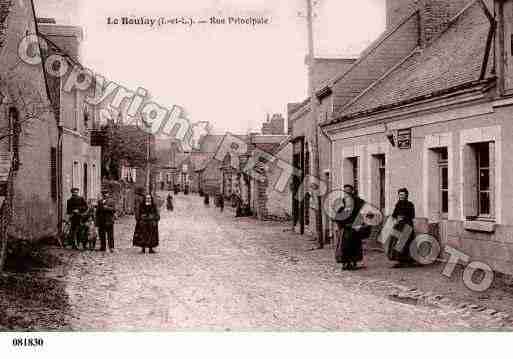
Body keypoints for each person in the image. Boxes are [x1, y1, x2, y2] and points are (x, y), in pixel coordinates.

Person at [334, 185, 366, 270]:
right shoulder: (343, 202)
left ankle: (353, 262)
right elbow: (339, 214)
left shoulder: (358, 201)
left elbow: (362, 212)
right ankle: (345, 263)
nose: (346, 192)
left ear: (352, 191)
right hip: (345, 228)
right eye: (345, 191)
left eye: (348, 191)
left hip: (354, 228)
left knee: (354, 245)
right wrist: (340, 222)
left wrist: (358, 224)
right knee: (344, 246)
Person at [387, 188, 416, 267]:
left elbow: (412, 216)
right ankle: (400, 260)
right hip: (399, 226)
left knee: (406, 242)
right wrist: (396, 219)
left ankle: (408, 260)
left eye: (403, 194)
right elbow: (394, 214)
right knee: (397, 243)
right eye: (400, 195)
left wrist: (403, 217)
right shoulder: (398, 204)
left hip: (407, 225)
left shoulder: (410, 204)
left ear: (406, 195)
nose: (401, 196)